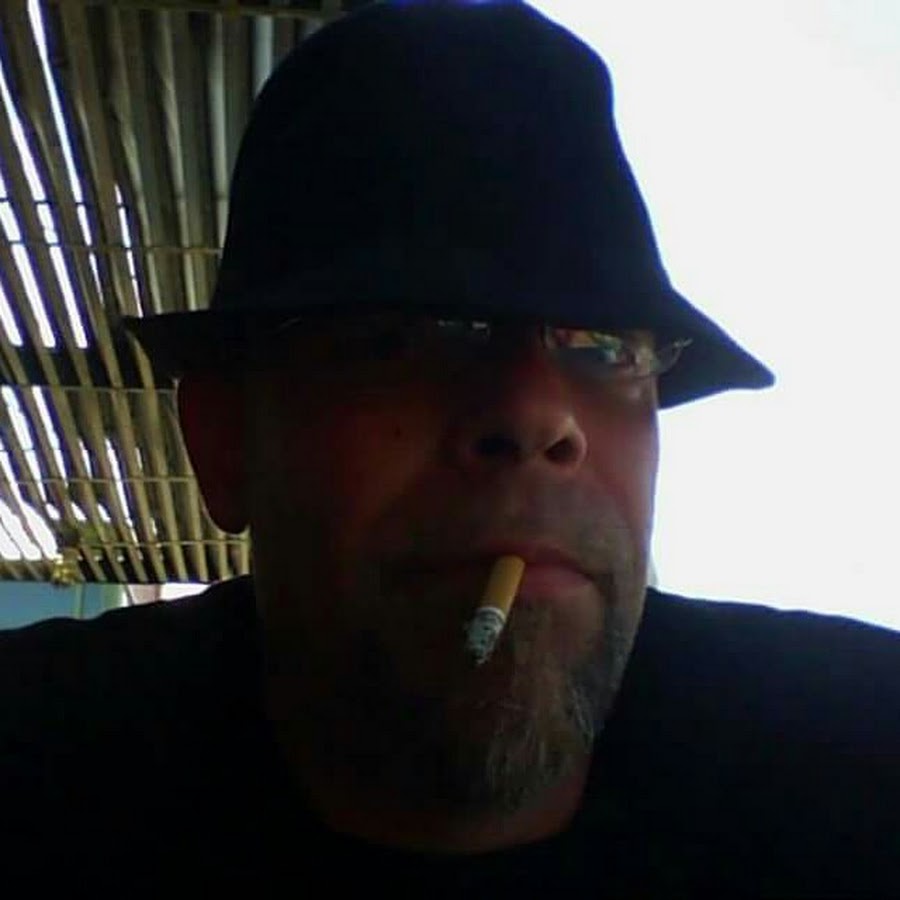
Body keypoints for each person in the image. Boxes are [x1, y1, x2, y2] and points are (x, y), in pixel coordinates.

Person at [1, 1, 897, 893]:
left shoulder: (859, 753)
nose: (538, 416)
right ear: (225, 440)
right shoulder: (41, 765)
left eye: (605, 349)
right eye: (404, 336)